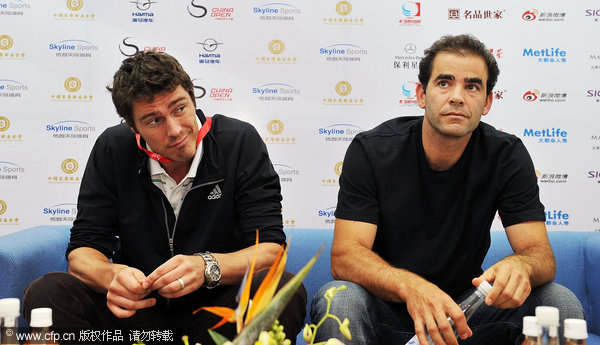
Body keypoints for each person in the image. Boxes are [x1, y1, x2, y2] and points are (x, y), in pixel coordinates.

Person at [311, 34, 584, 345]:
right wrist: (412, 287)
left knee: (557, 300)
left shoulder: (506, 154)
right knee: (340, 297)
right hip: (387, 308)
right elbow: (345, 257)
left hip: (466, 313)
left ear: (487, 102)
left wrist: (522, 264)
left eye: (471, 86)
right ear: (421, 94)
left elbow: (541, 255)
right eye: (444, 83)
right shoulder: (372, 150)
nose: (457, 96)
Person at [23, 51, 306, 344]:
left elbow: (270, 252)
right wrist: (112, 277)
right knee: (48, 293)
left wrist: (207, 266)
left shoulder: (239, 142)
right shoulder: (113, 148)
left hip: (217, 319)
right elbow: (83, 252)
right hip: (136, 320)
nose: (175, 130)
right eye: (154, 120)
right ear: (134, 127)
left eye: (179, 108)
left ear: (193, 99)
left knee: (280, 289)